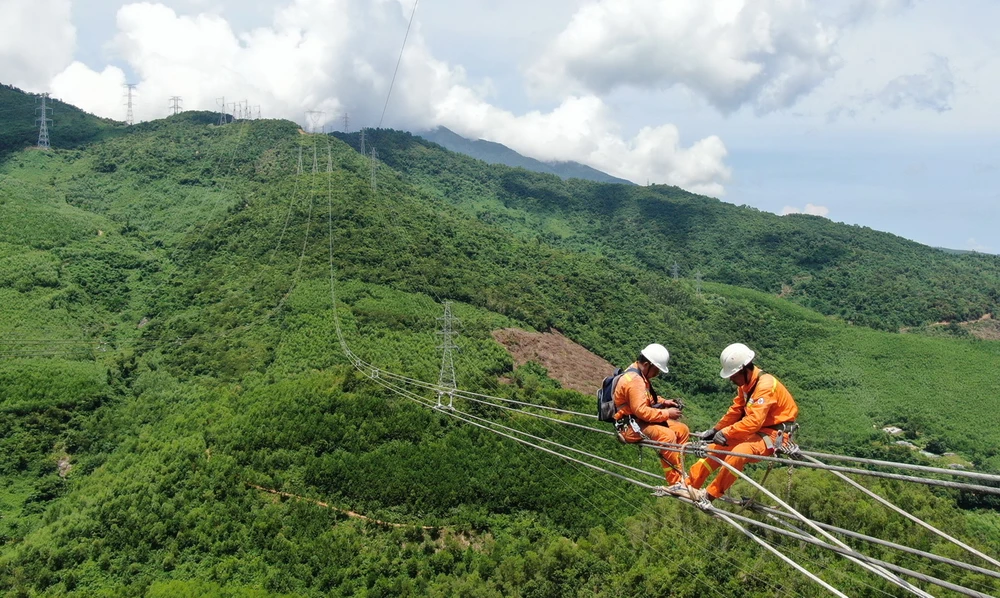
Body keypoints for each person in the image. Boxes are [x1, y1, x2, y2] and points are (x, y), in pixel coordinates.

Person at [678, 343, 798, 503]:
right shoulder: (746, 385)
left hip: (775, 435)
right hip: (756, 431)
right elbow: (736, 411)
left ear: (744, 369)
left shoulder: (765, 386)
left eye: (733, 375)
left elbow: (754, 421)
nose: (731, 379)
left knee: (738, 453)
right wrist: (716, 430)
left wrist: (726, 433)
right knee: (715, 448)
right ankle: (688, 486)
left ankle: (709, 495)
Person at [612, 343, 690, 486]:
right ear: (647, 365)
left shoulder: (638, 372)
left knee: (682, 430)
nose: (657, 374)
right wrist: (667, 413)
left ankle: (678, 468)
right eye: (657, 370)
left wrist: (664, 402)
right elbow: (642, 411)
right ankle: (676, 482)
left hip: (638, 421)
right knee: (668, 436)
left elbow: (645, 398)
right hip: (630, 426)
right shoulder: (635, 381)